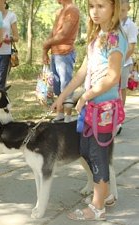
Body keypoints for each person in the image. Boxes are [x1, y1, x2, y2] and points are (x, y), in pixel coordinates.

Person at [51, 0, 127, 221]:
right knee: (85, 149)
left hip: (103, 109)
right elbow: (82, 72)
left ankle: (97, 207)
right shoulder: (97, 37)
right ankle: (107, 194)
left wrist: (85, 96)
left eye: (101, 6)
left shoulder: (114, 37)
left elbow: (112, 78)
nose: (95, 11)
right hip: (91, 107)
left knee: (96, 155)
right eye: (92, 6)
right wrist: (63, 97)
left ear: (113, 7)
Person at [42, 0, 80, 123]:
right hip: (55, 53)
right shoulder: (60, 11)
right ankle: (60, 114)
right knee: (57, 86)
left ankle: (68, 117)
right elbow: (53, 33)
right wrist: (45, 50)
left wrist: (46, 44)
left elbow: (63, 35)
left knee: (66, 85)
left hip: (65, 53)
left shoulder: (72, 10)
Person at [117, 0, 138, 135]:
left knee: (122, 88)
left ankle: (120, 116)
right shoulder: (113, 23)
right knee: (112, 88)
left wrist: (120, 60)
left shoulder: (131, 25)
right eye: (119, 10)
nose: (121, 13)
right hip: (111, 63)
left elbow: (131, 47)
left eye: (123, 10)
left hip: (124, 63)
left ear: (128, 9)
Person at [0, 0, 19, 89]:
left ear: (4, 2)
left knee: (0, 81)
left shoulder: (11, 16)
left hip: (4, 53)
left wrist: (9, 39)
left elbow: (16, 37)